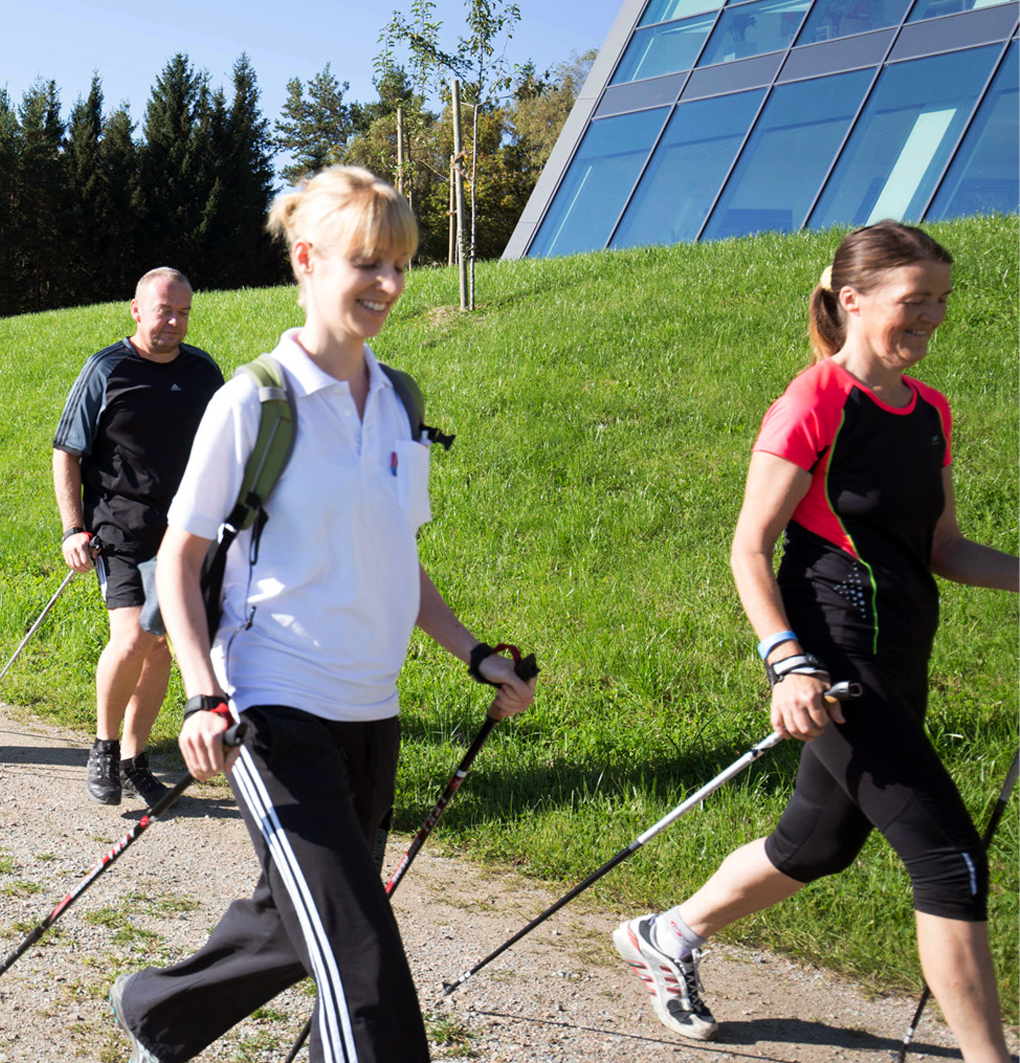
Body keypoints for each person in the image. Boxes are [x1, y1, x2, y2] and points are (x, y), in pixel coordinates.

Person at [109, 166, 535, 1063]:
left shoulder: (398, 401)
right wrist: (202, 694)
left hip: (370, 710)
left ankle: (159, 1012)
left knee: (301, 919)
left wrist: (473, 656)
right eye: (367, 262)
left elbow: (397, 560)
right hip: (272, 704)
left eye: (402, 265)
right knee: (359, 956)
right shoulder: (253, 400)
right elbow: (180, 564)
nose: (388, 285)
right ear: (306, 260)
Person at [610, 222, 1017, 1059]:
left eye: (941, 299)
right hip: (832, 663)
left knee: (817, 844)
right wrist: (785, 663)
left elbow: (943, 549)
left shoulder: (928, 409)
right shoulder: (814, 401)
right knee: (948, 861)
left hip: (902, 656)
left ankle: (666, 933)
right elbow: (747, 547)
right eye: (915, 300)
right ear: (852, 300)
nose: (932, 316)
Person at [54, 268, 224, 808]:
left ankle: (133, 758)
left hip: (187, 534)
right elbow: (67, 452)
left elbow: (223, 449)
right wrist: (73, 529)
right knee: (134, 638)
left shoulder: (203, 373)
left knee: (162, 650)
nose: (173, 321)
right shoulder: (107, 369)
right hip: (120, 529)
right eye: (163, 311)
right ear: (136, 309)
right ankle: (103, 748)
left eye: (183, 312)